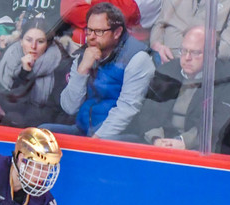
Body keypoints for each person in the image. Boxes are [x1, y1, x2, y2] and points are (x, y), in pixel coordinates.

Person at [46, 2, 155, 140]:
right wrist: (82, 70)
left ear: (117, 32)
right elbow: (69, 107)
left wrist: (96, 141)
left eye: (98, 32)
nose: (91, 37)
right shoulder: (84, 55)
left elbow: (127, 109)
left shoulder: (137, 58)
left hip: (120, 136)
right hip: (84, 131)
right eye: (89, 30)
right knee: (43, 133)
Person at [135, 25, 230, 150]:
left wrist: (184, 142)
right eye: (183, 50)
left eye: (195, 53)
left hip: (202, 147)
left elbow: (222, 123)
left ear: (212, 53)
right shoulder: (167, 70)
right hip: (160, 142)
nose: (187, 58)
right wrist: (156, 138)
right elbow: (148, 111)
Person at [0, 15, 74, 127]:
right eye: (28, 40)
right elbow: (10, 103)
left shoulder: (60, 64)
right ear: (21, 41)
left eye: (40, 41)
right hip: (13, 119)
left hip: (43, 125)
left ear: (48, 44)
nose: (33, 46)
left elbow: (58, 111)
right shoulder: (7, 59)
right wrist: (24, 72)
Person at [149, 0, 230, 63]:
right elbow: (160, 24)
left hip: (204, 77)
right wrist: (157, 45)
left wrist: (191, 57)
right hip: (162, 65)